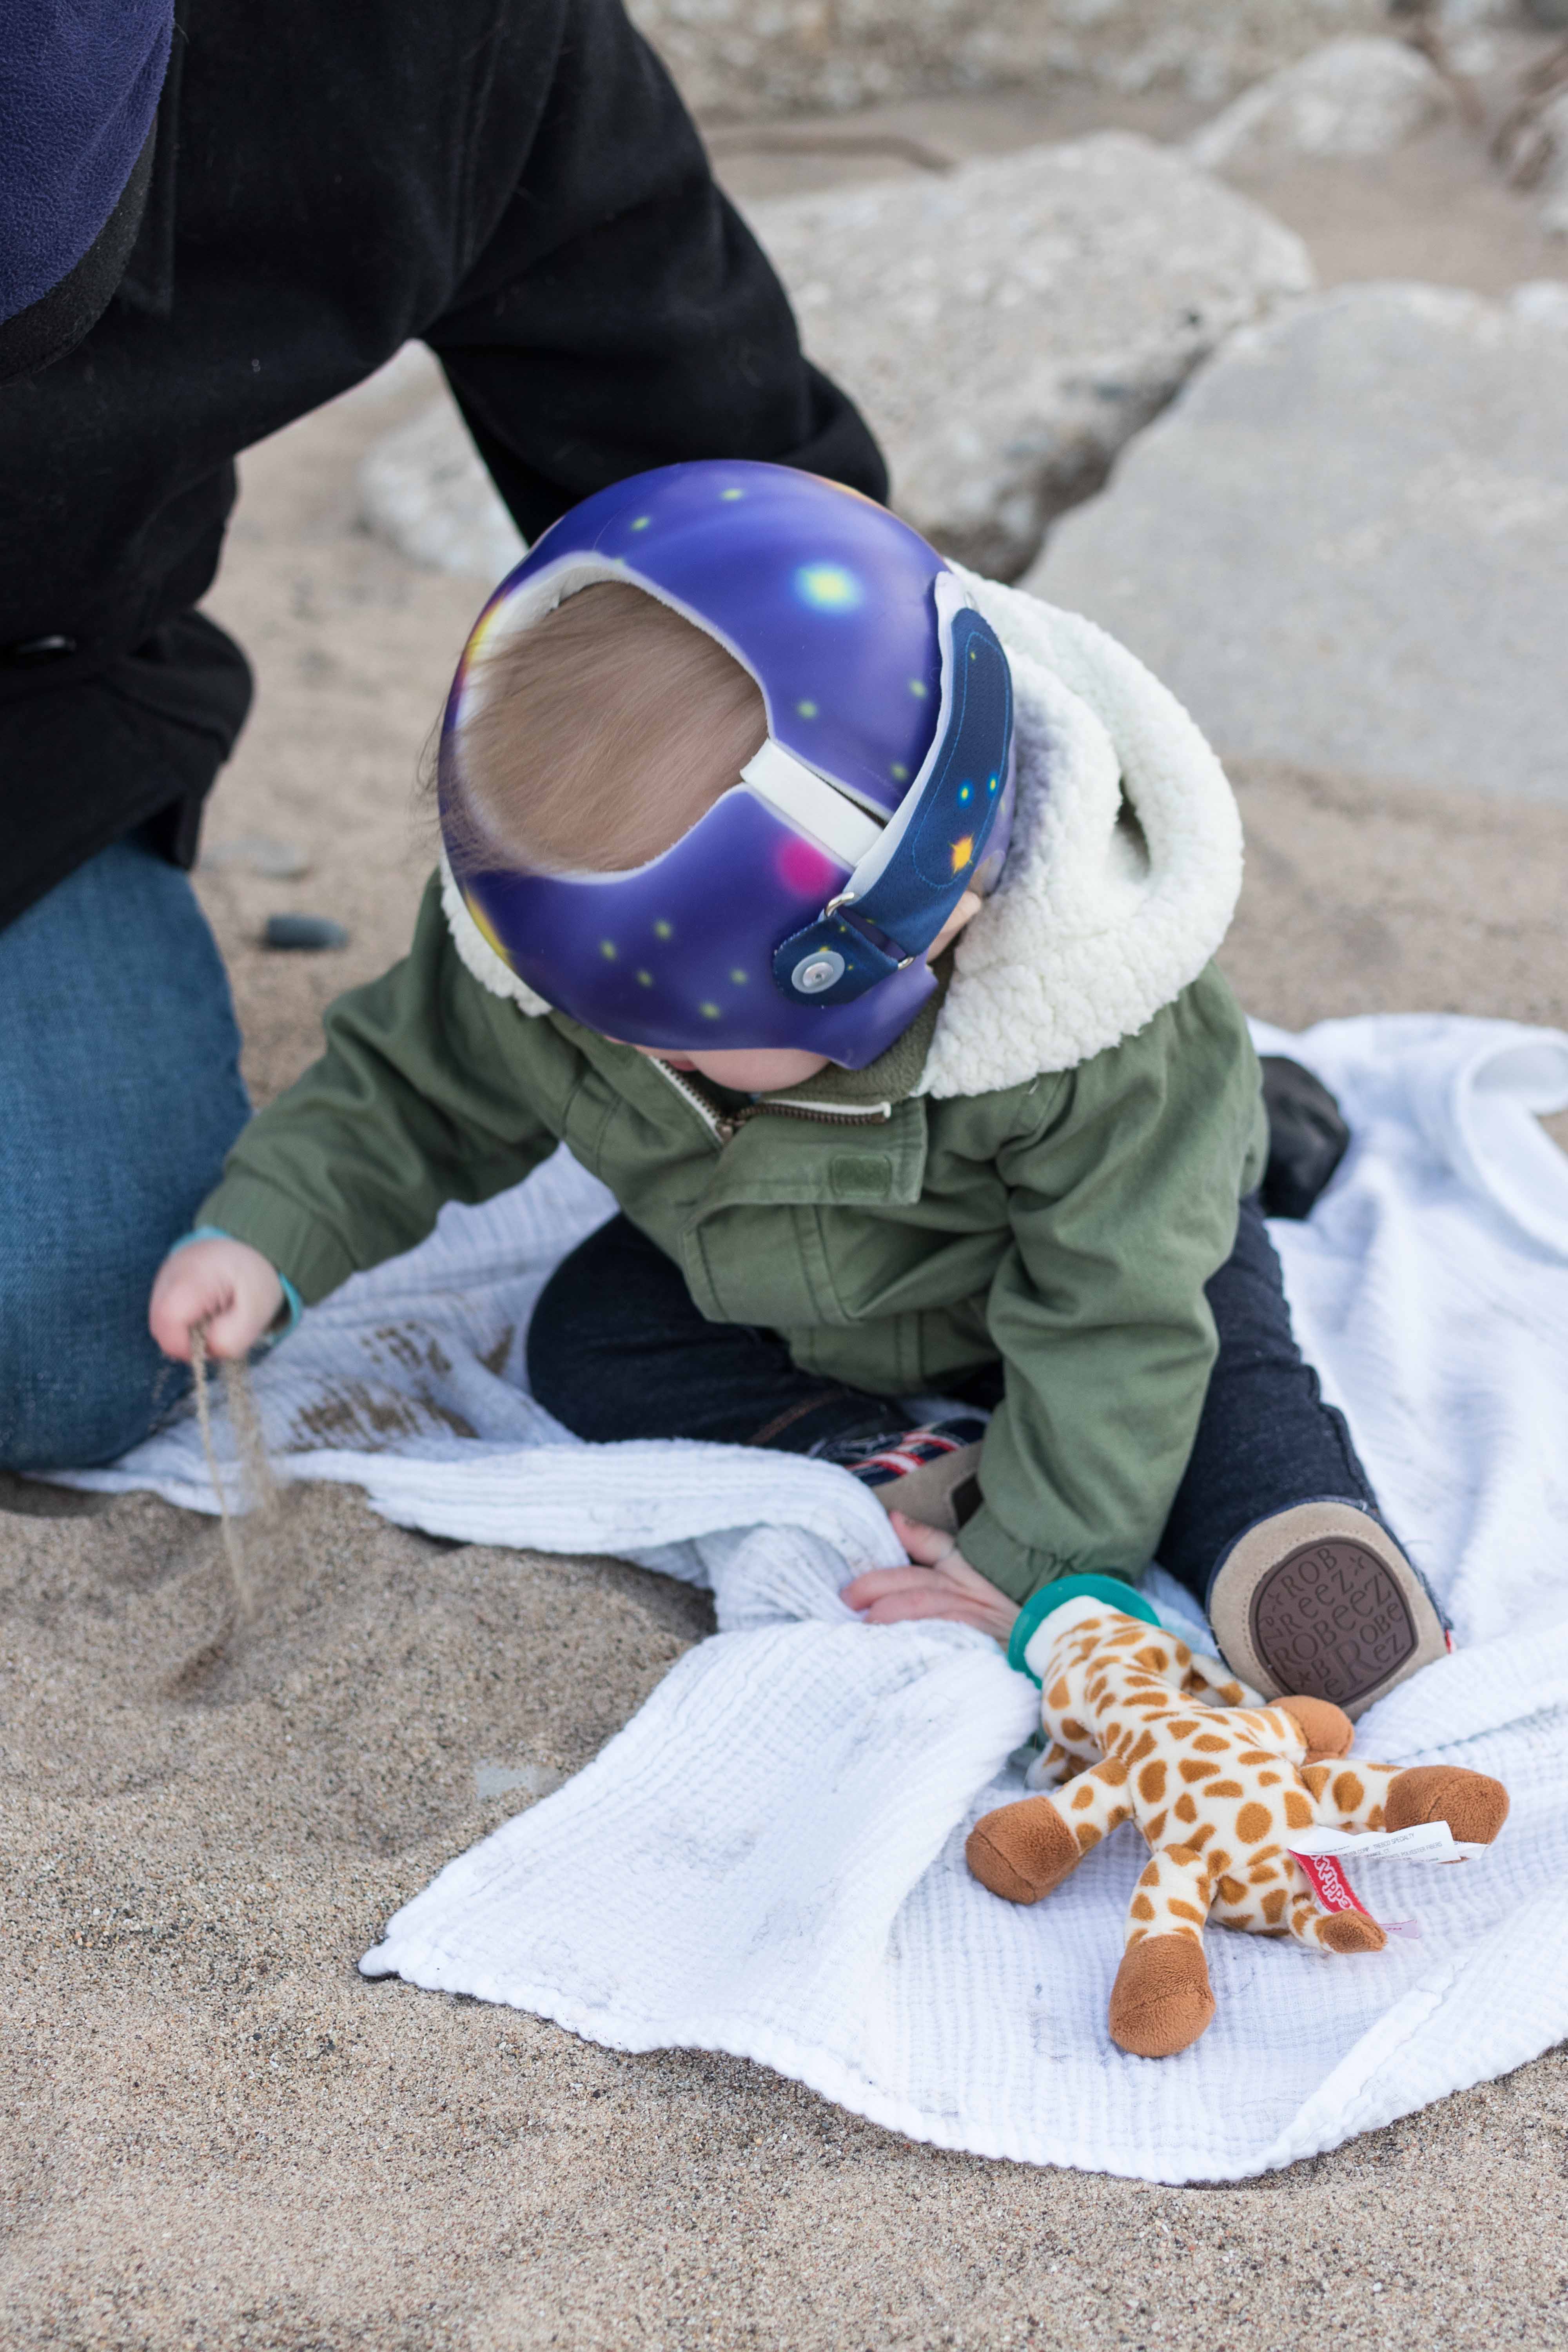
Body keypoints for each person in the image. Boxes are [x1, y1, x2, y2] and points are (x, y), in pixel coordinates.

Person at [147, 462, 1449, 1715]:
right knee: (588, 1337)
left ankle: (1295, 1552)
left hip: (1067, 1264)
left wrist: (1041, 1566)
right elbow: (409, 1092)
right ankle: (892, 1460)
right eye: (600, 1021)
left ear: (910, 938)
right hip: (768, 1276)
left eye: (675, 1036)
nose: (623, 1050)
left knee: (1203, 1363)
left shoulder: (1081, 1027)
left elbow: (1119, 1314)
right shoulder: (567, 952)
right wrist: (269, 1232)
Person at [0, 0, 885, 1472]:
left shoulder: (432, 44)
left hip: (32, 710)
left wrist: (1061, 951)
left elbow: (750, 519)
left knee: (72, 1346)